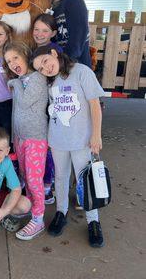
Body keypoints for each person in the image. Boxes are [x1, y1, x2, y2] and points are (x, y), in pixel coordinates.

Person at [32, 44, 105, 247]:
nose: (46, 68)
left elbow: (94, 105)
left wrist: (96, 135)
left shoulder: (81, 71)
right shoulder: (50, 81)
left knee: (85, 180)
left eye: (46, 61)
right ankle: (60, 212)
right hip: (57, 138)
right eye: (40, 68)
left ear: (54, 53)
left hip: (82, 139)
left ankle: (93, 221)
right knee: (61, 177)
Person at [3, 42, 48, 240]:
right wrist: (14, 138)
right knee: (24, 175)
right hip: (21, 138)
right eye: (8, 61)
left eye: (15, 58)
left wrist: (14, 83)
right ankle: (30, 208)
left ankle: (38, 219)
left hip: (36, 138)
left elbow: (24, 102)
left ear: (25, 56)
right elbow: (17, 112)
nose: (13, 63)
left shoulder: (37, 77)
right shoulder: (22, 79)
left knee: (33, 179)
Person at [32, 12, 63, 205]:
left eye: (44, 30)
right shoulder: (34, 51)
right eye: (36, 29)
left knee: (49, 148)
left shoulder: (55, 50)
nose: (40, 34)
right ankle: (45, 183)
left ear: (53, 33)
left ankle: (48, 186)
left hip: (54, 105)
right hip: (41, 105)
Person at [47, 0, 91, 68]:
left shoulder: (73, 1)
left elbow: (76, 45)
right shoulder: (52, 10)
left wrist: (58, 65)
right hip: (59, 72)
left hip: (76, 71)